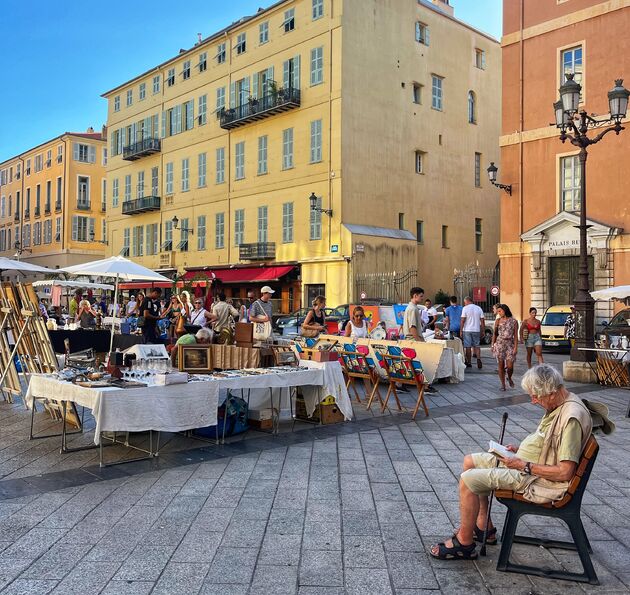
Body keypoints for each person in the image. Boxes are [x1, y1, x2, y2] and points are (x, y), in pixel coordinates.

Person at [429, 364, 593, 561]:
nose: (533, 401)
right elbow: (547, 442)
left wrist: (524, 465)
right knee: (469, 462)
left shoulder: (570, 418)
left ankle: (464, 543)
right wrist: (521, 450)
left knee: (468, 480)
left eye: (535, 396)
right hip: (528, 465)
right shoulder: (561, 403)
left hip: (535, 478)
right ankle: (484, 528)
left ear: (550, 392)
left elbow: (565, 472)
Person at [492, 304, 519, 391]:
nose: (498, 313)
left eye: (500, 311)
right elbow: (495, 334)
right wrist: (492, 344)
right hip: (500, 344)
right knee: (500, 365)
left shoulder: (514, 321)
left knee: (510, 366)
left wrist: (515, 347)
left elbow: (515, 336)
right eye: (498, 311)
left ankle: (509, 377)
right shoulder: (498, 321)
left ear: (505, 310)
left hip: (510, 344)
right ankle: (503, 385)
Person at [460, 296, 485, 369]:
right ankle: (478, 359)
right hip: (476, 330)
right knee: (477, 345)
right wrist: (483, 330)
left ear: (467, 301)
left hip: (467, 330)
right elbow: (482, 321)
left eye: (465, 302)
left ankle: (469, 362)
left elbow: (462, 320)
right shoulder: (478, 308)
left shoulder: (465, 308)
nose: (464, 304)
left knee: (468, 347)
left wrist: (461, 330)